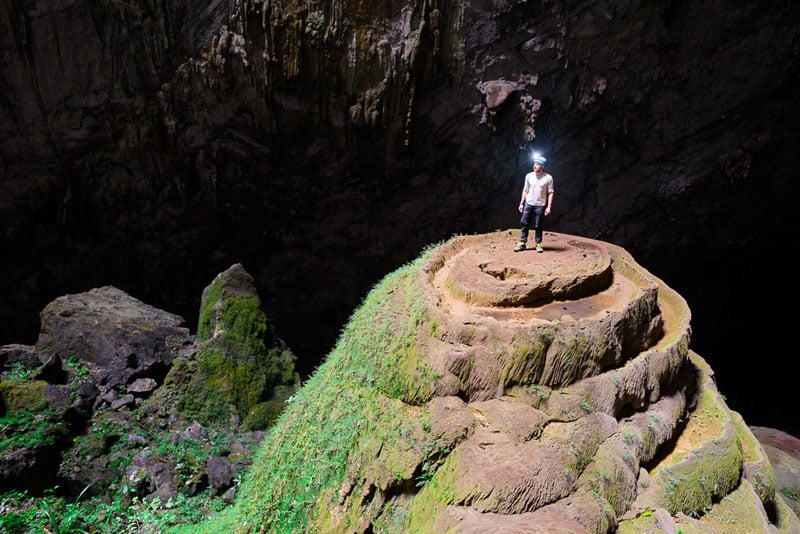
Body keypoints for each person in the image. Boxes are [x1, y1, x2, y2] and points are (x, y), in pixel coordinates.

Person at [514, 153, 554, 252]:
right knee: (524, 222)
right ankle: (522, 242)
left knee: (538, 225)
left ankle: (538, 244)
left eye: (538, 164)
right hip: (529, 203)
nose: (535, 166)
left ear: (542, 166)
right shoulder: (529, 176)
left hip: (540, 205)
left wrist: (549, 207)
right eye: (534, 164)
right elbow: (525, 190)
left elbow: (551, 193)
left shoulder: (548, 178)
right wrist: (521, 203)